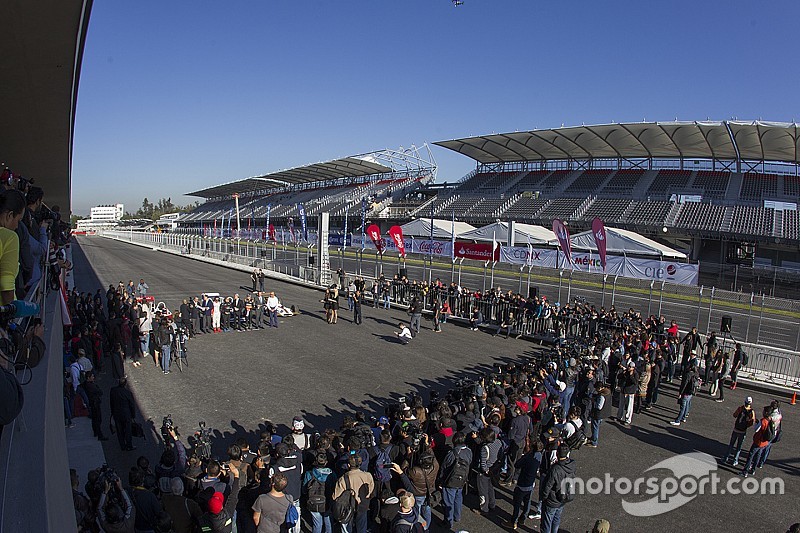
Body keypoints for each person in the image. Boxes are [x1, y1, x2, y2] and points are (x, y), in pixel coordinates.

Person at [437, 431, 472, 529]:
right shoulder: (469, 451)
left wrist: (440, 480)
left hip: (450, 481)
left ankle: (448, 522)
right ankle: (457, 516)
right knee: (458, 497)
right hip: (462, 479)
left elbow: (444, 467)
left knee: (448, 502)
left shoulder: (452, 454)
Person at [332, 454, 375, 533]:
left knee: (347, 528)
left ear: (349, 465)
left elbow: (335, 496)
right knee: (362, 526)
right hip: (363, 505)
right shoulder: (368, 475)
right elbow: (371, 491)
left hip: (348, 507)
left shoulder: (343, 479)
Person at [540, 444, 576, 533]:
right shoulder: (572, 465)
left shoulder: (555, 468)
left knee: (547, 522)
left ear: (557, 454)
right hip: (563, 497)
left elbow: (548, 485)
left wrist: (543, 497)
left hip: (552, 499)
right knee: (556, 519)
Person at [0, 189, 25, 304]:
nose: (17, 226)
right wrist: (11, 311)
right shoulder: (9, 237)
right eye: (18, 220)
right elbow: (6, 284)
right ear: (10, 215)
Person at [303, 451, 336, 533]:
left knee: (317, 523)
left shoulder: (309, 473)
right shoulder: (331, 474)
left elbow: (304, 489)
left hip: (313, 501)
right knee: (328, 521)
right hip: (328, 500)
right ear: (326, 462)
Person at [740, 405, 774, 478]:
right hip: (764, 442)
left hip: (758, 441)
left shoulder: (763, 421)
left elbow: (756, 429)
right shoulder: (770, 420)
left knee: (751, 456)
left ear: (766, 413)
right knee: (758, 455)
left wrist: (757, 423)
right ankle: (753, 469)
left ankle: (745, 471)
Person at [725, 396, 756, 466]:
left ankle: (726, 458)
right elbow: (752, 421)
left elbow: (734, 415)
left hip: (736, 429)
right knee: (739, 447)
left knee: (731, 445)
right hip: (743, 431)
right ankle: (735, 460)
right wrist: (747, 425)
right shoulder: (751, 412)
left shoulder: (740, 408)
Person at [110, 377, 137, 451]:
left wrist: (112, 412)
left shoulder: (113, 390)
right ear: (125, 384)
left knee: (119, 430)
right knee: (128, 430)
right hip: (126, 414)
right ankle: (129, 445)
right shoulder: (128, 393)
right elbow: (132, 405)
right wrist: (133, 415)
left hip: (117, 413)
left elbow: (111, 402)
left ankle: (122, 445)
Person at [671, 361, 699, 426]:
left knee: (682, 407)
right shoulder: (696, 374)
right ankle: (684, 417)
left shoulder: (688, 374)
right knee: (687, 405)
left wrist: (680, 393)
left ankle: (678, 420)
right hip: (690, 392)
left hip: (686, 392)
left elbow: (684, 385)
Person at [83, 371, 108, 441]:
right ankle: (99, 434)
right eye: (92, 376)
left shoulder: (86, 384)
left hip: (92, 403)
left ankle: (96, 432)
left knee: (94, 419)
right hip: (95, 403)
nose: (93, 377)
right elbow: (99, 392)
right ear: (88, 378)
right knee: (98, 419)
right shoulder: (91, 386)